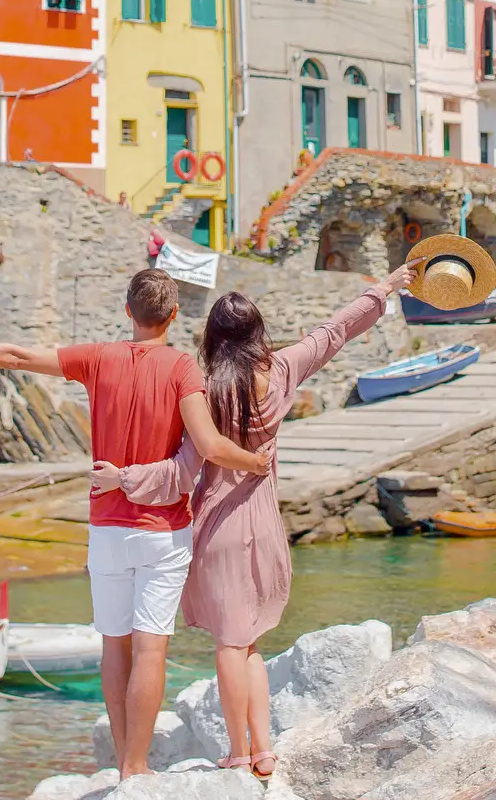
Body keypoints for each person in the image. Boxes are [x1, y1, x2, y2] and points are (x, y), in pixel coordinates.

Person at [0, 269, 268, 782]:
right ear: (173, 315)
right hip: (161, 530)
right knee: (151, 647)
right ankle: (138, 766)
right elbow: (210, 447)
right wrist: (256, 463)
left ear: (128, 312)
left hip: (106, 528)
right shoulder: (182, 368)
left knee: (115, 644)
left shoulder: (100, 358)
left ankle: (123, 764)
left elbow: (17, 357)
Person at [103, 264, 422, 778]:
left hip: (219, 528)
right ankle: (264, 749)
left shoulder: (204, 390)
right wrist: (382, 289)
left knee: (230, 643)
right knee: (248, 642)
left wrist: (126, 481)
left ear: (212, 336)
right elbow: (333, 331)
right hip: (266, 525)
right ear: (257, 332)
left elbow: (184, 471)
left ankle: (238, 751)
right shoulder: (283, 370)